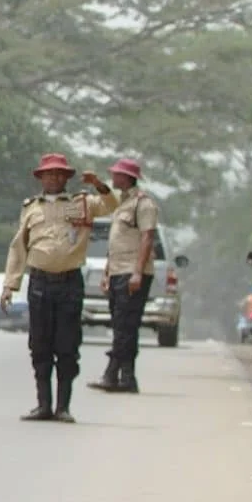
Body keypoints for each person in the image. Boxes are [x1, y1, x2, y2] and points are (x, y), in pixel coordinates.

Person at [0, 153, 119, 422]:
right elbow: (18, 248)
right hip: (40, 282)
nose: (53, 178)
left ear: (66, 177)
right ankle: (43, 404)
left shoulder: (83, 202)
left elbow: (112, 205)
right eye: (48, 174)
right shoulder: (31, 208)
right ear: (41, 178)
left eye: (59, 174)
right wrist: (10, 285)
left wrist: (99, 184)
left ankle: (63, 406)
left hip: (68, 283)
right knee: (40, 346)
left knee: (66, 346)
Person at [86, 158, 158, 393]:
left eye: (116, 175)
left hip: (133, 271)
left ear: (126, 178)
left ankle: (111, 374)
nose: (113, 178)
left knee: (125, 325)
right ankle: (127, 378)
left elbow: (147, 238)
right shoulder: (122, 204)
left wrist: (138, 272)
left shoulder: (143, 204)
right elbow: (115, 243)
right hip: (118, 270)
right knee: (122, 325)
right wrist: (107, 272)